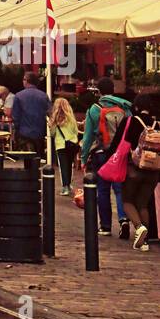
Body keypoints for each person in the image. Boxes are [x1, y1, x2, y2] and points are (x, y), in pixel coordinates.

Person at [106, 92, 160, 251]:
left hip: (134, 169)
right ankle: (144, 242)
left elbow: (118, 144)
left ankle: (139, 228)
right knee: (143, 204)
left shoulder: (131, 121)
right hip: (153, 170)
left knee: (127, 201)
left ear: (136, 106)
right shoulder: (157, 123)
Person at [81, 75, 131, 238]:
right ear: (113, 90)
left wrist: (83, 158)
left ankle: (106, 226)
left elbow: (88, 137)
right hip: (120, 154)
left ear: (99, 91)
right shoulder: (124, 107)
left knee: (102, 190)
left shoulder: (94, 109)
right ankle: (124, 220)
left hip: (101, 153)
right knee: (119, 189)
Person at [11, 73, 51, 155]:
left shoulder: (19, 96)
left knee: (27, 159)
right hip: (39, 132)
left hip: (24, 133)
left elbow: (16, 116)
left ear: (26, 81)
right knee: (38, 158)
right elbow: (50, 112)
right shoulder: (43, 96)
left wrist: (16, 131)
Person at [49, 95, 79, 195]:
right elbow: (75, 131)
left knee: (63, 166)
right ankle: (69, 185)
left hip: (61, 145)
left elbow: (52, 134)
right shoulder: (71, 118)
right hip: (72, 144)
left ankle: (65, 187)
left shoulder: (54, 120)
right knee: (70, 165)